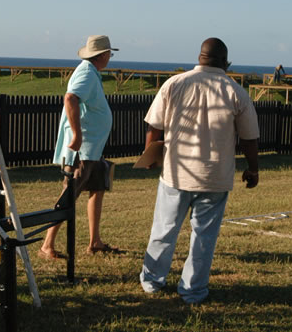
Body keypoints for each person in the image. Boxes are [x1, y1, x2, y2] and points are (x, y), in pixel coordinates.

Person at [139, 37, 260, 304]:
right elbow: (250, 137)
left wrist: (150, 156)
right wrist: (253, 169)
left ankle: (151, 281)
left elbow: (154, 126)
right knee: (204, 237)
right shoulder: (235, 91)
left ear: (200, 57)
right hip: (215, 178)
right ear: (226, 62)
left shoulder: (175, 84)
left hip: (176, 172)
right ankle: (193, 291)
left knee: (164, 229)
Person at [39, 35, 120, 259]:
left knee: (98, 187)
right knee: (70, 193)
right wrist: (76, 134)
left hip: (92, 149)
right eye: (109, 54)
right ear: (102, 55)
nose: (109, 58)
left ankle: (95, 242)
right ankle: (47, 245)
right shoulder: (86, 73)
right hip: (83, 150)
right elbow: (70, 99)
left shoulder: (91, 73)